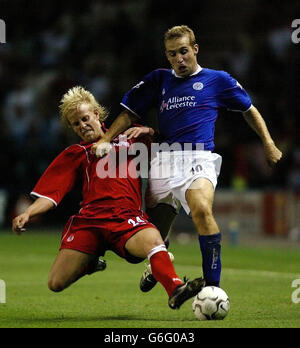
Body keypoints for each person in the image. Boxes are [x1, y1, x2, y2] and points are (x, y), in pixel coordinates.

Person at [90, 25, 283, 292]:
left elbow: (249, 110)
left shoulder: (218, 80)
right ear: (166, 56)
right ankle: (156, 262)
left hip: (198, 157)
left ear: (195, 49)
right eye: (172, 54)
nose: (179, 59)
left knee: (202, 210)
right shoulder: (159, 80)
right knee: (151, 239)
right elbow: (129, 111)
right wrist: (105, 139)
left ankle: (213, 288)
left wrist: (268, 143)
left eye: (183, 52)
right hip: (163, 160)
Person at [12, 86, 205, 310]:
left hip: (125, 218)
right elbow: (51, 194)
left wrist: (150, 131)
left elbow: (171, 145)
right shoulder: (76, 153)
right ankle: (90, 262)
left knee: (154, 240)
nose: (82, 126)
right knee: (55, 283)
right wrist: (28, 213)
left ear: (96, 113)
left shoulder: (129, 139)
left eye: (84, 118)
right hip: (90, 223)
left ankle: (175, 289)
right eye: (76, 124)